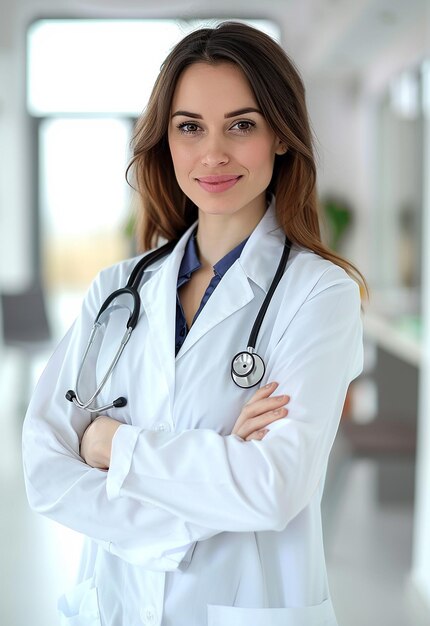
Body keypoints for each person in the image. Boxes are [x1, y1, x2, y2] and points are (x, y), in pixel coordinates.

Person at [22, 21, 366, 626]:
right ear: (167, 141)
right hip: (116, 604)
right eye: (190, 127)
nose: (213, 153)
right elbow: (46, 472)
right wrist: (218, 463)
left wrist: (113, 446)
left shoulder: (320, 295)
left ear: (281, 137)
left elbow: (273, 488)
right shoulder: (116, 291)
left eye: (241, 125)